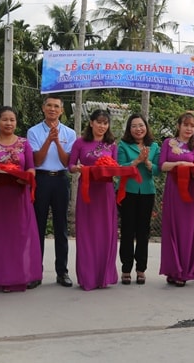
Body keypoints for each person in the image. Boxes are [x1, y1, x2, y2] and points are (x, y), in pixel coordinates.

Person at [0, 106, 42, 293]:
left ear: (16, 122)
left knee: (17, 239)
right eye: (4, 119)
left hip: (18, 197)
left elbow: (31, 168)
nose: (8, 123)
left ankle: (13, 280)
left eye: (12, 119)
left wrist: (26, 178)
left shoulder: (24, 143)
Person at [27, 96, 77, 288]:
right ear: (43, 108)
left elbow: (66, 162)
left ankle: (62, 272)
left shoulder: (70, 133)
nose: (52, 109)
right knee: (37, 226)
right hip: (41, 178)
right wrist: (49, 140)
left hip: (61, 179)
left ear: (62, 111)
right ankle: (35, 272)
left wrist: (57, 142)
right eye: (49, 105)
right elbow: (37, 161)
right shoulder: (33, 132)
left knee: (61, 227)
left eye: (56, 106)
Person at [158, 113, 194, 287]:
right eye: (186, 125)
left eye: (192, 126)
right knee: (173, 228)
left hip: (190, 191)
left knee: (188, 231)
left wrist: (189, 166)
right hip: (173, 190)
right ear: (179, 125)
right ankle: (173, 270)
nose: (189, 129)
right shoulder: (168, 143)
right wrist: (179, 165)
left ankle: (185, 271)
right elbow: (162, 165)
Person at [69, 109, 119, 291]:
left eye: (105, 123)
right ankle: (88, 277)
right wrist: (78, 168)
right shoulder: (80, 143)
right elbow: (71, 165)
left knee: (106, 233)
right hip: (87, 191)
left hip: (105, 193)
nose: (102, 126)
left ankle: (104, 276)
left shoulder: (111, 144)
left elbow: (115, 167)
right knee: (87, 234)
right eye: (99, 122)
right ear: (91, 123)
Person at [117, 114, 160, 286]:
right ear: (129, 129)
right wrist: (136, 161)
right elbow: (120, 168)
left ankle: (141, 269)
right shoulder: (122, 145)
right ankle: (126, 269)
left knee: (143, 231)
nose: (138, 129)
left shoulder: (154, 146)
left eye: (141, 125)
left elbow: (157, 170)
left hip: (147, 192)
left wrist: (148, 163)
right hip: (128, 191)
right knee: (127, 230)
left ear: (146, 127)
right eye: (134, 126)